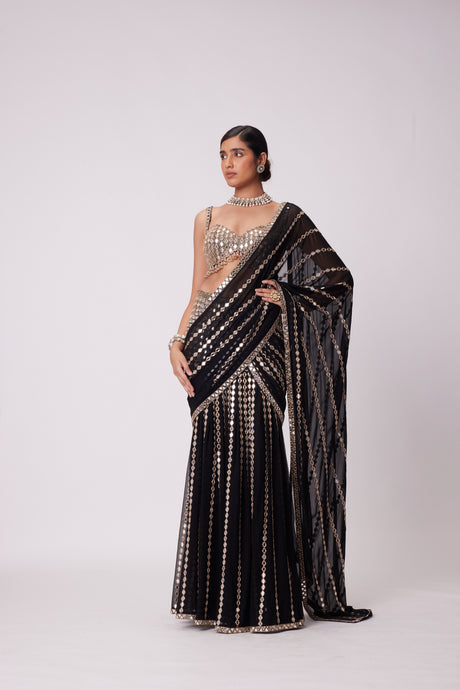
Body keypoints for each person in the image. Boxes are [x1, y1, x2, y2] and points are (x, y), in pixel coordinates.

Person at [169, 125, 373, 634]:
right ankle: (211, 600)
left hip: (261, 351)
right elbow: (197, 290)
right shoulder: (205, 218)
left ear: (261, 159)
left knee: (257, 455)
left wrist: (289, 296)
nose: (227, 163)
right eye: (222, 155)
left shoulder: (288, 219)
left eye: (237, 153)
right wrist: (176, 342)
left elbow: (337, 281)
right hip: (208, 349)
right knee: (215, 458)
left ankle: (263, 600)